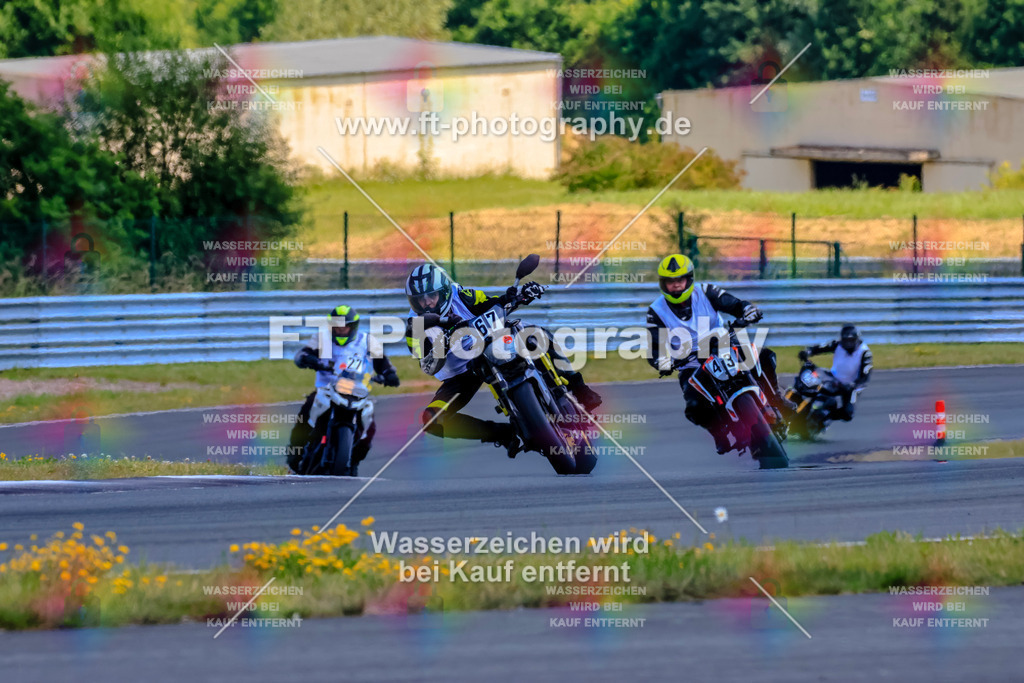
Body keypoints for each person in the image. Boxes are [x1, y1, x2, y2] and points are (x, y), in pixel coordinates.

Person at [403, 262, 601, 457]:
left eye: (432, 296)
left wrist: (517, 296)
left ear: (444, 292)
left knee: (534, 332)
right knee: (432, 420)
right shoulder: (415, 327)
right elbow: (427, 365)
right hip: (461, 375)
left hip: (488, 345)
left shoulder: (463, 296)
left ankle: (579, 388)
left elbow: (492, 304)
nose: (427, 303)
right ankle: (501, 434)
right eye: (420, 299)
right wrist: (441, 345)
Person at [646, 254, 792, 454]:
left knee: (764, 356)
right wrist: (662, 361)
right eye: (670, 282)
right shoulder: (656, 311)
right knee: (693, 404)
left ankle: (775, 399)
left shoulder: (706, 291)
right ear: (663, 284)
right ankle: (720, 433)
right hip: (690, 362)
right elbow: (654, 346)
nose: (676, 286)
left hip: (723, 344)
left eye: (679, 280)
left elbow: (734, 304)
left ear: (688, 279)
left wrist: (747, 310)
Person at [288, 305, 400, 474]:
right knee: (306, 410)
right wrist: (308, 359)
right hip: (326, 389)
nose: (340, 330)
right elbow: (302, 354)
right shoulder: (321, 338)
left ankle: (355, 458)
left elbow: (382, 361)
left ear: (353, 327)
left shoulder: (367, 340)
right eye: (337, 327)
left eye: (344, 327)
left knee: (370, 425)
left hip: (357, 391)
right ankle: (294, 455)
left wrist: (389, 374)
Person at [799, 324, 872, 421]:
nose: (848, 344)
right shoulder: (838, 344)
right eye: (846, 341)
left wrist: (853, 385)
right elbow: (821, 348)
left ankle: (826, 418)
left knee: (848, 414)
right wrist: (808, 352)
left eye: (851, 341)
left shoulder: (864, 352)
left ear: (856, 339)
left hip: (851, 386)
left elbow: (865, 376)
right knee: (812, 387)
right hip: (833, 378)